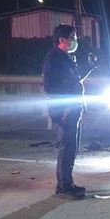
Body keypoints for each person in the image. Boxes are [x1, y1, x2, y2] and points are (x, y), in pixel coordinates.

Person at [42, 24, 86, 199]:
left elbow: (73, 81)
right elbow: (50, 86)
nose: (75, 41)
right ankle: (62, 186)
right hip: (64, 110)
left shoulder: (66, 58)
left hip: (73, 107)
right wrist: (66, 106)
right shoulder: (53, 59)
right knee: (66, 147)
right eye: (72, 37)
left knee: (71, 147)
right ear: (62, 40)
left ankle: (68, 182)